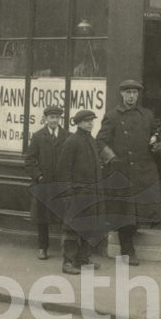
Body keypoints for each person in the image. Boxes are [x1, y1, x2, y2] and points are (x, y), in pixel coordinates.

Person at [96, 79, 161, 266]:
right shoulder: (112, 116)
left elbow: (157, 137)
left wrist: (158, 145)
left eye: (134, 93)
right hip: (122, 170)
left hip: (144, 169)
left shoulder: (147, 115)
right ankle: (128, 251)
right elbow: (101, 142)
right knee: (124, 212)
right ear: (121, 94)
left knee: (140, 209)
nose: (131, 96)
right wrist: (112, 159)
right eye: (128, 93)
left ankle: (132, 239)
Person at [56, 109, 104, 275]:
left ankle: (83, 260)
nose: (90, 123)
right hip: (77, 193)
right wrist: (68, 193)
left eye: (92, 120)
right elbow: (63, 169)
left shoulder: (91, 140)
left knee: (88, 227)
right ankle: (67, 262)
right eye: (86, 121)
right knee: (72, 228)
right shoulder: (72, 141)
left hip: (91, 192)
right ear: (78, 123)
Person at [24, 104, 69, 260]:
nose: (54, 120)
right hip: (44, 185)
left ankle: (66, 248)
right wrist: (39, 177)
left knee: (65, 217)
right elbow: (29, 160)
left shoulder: (67, 136)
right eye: (51, 117)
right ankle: (42, 248)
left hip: (62, 185)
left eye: (57, 117)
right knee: (42, 218)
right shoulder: (38, 136)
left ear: (60, 119)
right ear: (46, 119)